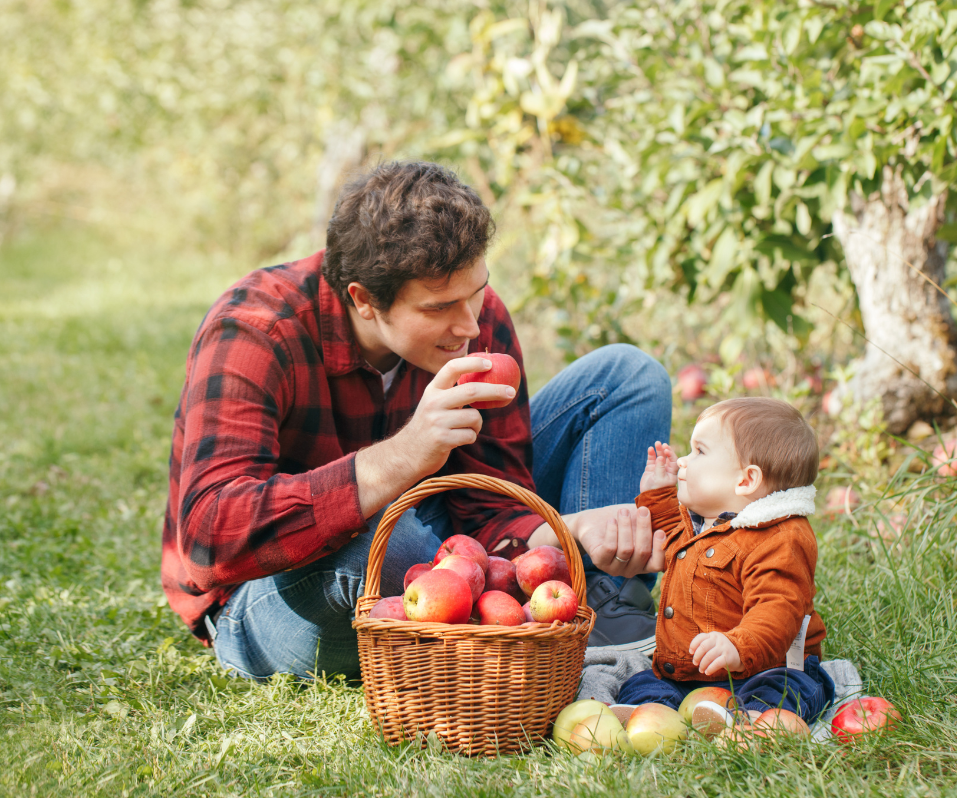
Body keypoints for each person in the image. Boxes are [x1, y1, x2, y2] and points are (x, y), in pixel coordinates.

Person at [161, 161, 671, 680]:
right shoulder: (256, 330)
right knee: (389, 536)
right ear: (363, 300)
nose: (471, 324)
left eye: (477, 292)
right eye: (440, 308)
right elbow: (209, 538)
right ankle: (516, 624)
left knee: (628, 375)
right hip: (279, 593)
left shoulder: (471, 314)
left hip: (442, 547)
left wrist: (570, 530)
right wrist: (401, 457)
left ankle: (591, 602)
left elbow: (489, 504)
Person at [616, 397, 834, 727]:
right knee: (641, 684)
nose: (683, 463)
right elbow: (671, 539)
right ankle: (653, 713)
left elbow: (778, 608)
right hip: (689, 670)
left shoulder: (780, 538)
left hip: (762, 666)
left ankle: (754, 724)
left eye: (699, 452)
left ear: (745, 480)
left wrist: (737, 645)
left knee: (789, 690)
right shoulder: (704, 521)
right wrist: (657, 494)